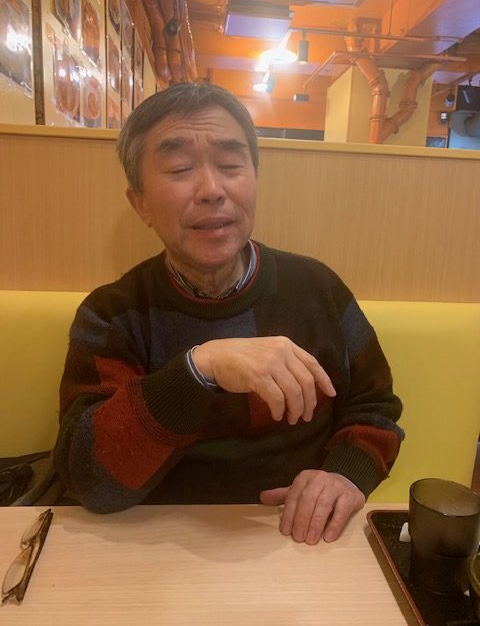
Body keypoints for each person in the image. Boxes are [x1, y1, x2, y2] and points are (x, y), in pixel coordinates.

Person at [53, 82, 403, 545]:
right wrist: (199, 368)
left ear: (254, 179)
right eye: (180, 169)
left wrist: (344, 475)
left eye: (231, 164)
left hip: (299, 537)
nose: (212, 190)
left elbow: (375, 408)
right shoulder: (113, 314)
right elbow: (91, 480)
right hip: (157, 544)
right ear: (140, 203)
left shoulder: (317, 289)